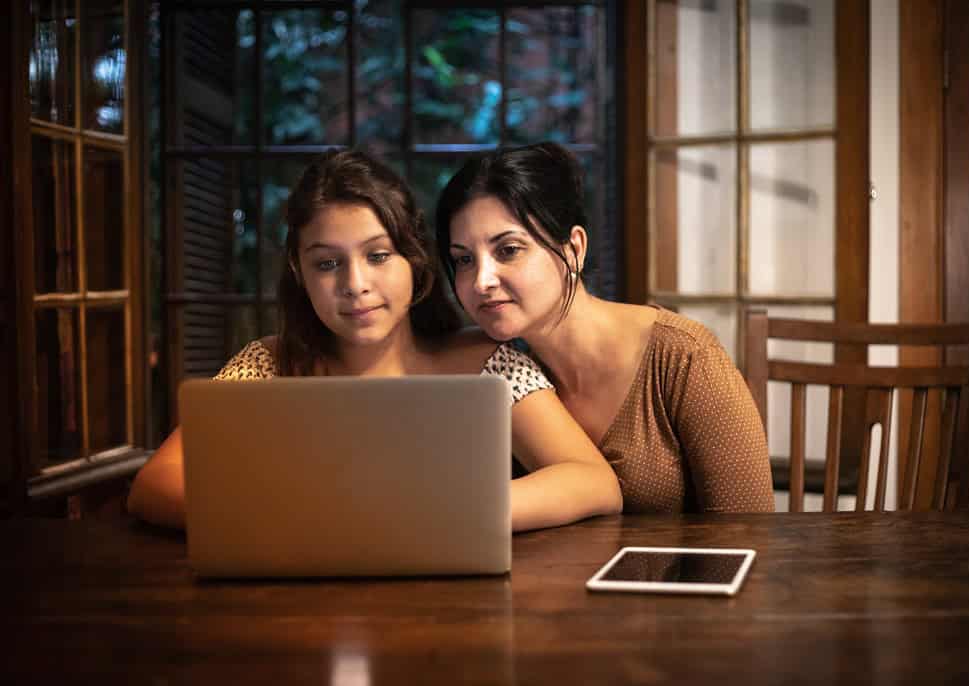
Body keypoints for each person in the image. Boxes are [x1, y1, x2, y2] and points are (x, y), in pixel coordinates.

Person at [127, 149, 622, 531]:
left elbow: (593, 481)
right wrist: (306, 515)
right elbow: (155, 485)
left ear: (416, 260)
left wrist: (449, 510)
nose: (355, 284)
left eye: (379, 256)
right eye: (327, 263)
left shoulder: (484, 363)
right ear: (300, 272)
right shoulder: (270, 364)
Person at [435, 142, 775, 513]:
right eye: (464, 259)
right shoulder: (503, 373)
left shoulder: (685, 358)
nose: (481, 280)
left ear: (575, 249)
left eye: (509, 250)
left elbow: (750, 532)